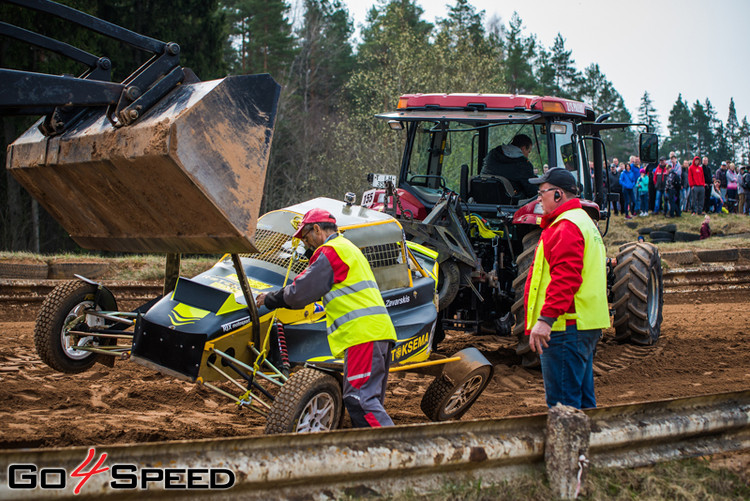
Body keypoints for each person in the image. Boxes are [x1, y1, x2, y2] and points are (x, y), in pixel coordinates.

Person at [255, 208, 397, 428]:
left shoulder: (330, 251)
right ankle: (378, 452)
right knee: (369, 399)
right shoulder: (348, 248)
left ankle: (395, 452)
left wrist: (269, 299)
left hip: (363, 335)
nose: (306, 243)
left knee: (360, 400)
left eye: (306, 237)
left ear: (317, 229)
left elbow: (299, 293)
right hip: (377, 333)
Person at [524, 168, 610, 409]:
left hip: (565, 327)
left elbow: (565, 279)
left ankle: (571, 447)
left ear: (559, 194)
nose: (538, 199)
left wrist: (545, 320)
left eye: (542, 193)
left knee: (564, 408)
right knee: (582, 402)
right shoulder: (583, 222)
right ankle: (586, 446)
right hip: (583, 324)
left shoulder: (566, 227)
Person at [482, 134, 537, 199]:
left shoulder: (492, 155)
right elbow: (532, 192)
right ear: (523, 148)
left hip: (482, 200)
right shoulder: (523, 165)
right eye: (528, 152)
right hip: (509, 205)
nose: (528, 156)